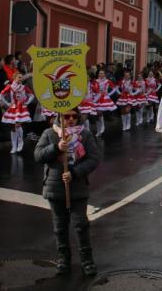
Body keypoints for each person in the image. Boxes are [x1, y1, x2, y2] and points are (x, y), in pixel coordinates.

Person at [34, 107, 100, 276]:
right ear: (59, 117)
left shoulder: (85, 134)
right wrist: (56, 148)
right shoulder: (49, 133)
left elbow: (93, 159)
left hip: (77, 187)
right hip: (55, 186)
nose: (71, 119)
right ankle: (63, 260)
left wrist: (75, 173)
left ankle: (87, 261)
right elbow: (38, 156)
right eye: (66, 116)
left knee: (81, 225)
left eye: (74, 116)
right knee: (60, 227)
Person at [0, 72, 35, 154]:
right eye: (19, 77)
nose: (21, 79)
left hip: (21, 108)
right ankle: (14, 146)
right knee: (13, 127)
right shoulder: (10, 87)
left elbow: (31, 95)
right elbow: (1, 95)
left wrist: (27, 102)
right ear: (14, 78)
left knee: (18, 125)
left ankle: (20, 143)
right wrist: (7, 103)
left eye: (21, 77)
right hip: (13, 108)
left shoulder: (24, 87)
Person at [92, 69, 118, 136]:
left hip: (104, 98)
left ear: (105, 74)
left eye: (102, 73)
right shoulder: (95, 81)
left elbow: (114, 88)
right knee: (97, 114)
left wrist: (108, 94)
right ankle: (99, 129)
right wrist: (94, 95)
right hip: (97, 98)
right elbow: (93, 89)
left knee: (99, 113)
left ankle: (102, 127)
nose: (101, 74)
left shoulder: (108, 81)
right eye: (99, 73)